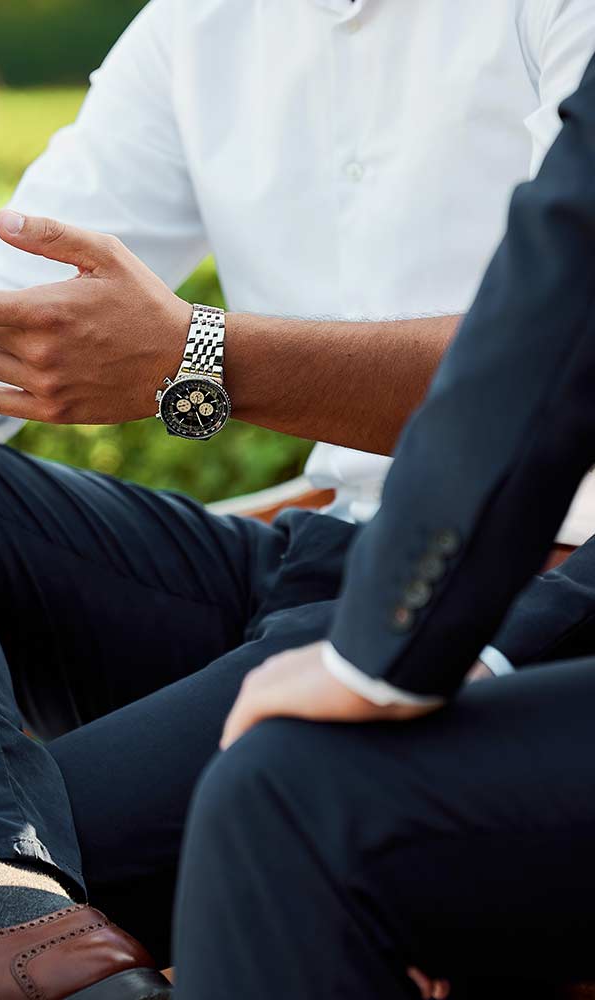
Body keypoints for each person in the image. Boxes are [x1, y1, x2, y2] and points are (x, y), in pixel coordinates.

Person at [0, 2, 595, 997]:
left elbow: (556, 357)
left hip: (512, 583)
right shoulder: (201, 23)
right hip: (311, 560)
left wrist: (196, 358)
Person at [172, 48, 595, 1000]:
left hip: (440, 591)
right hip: (314, 562)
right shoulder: (194, 30)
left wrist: (389, 654)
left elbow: (562, 301)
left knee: (282, 801)